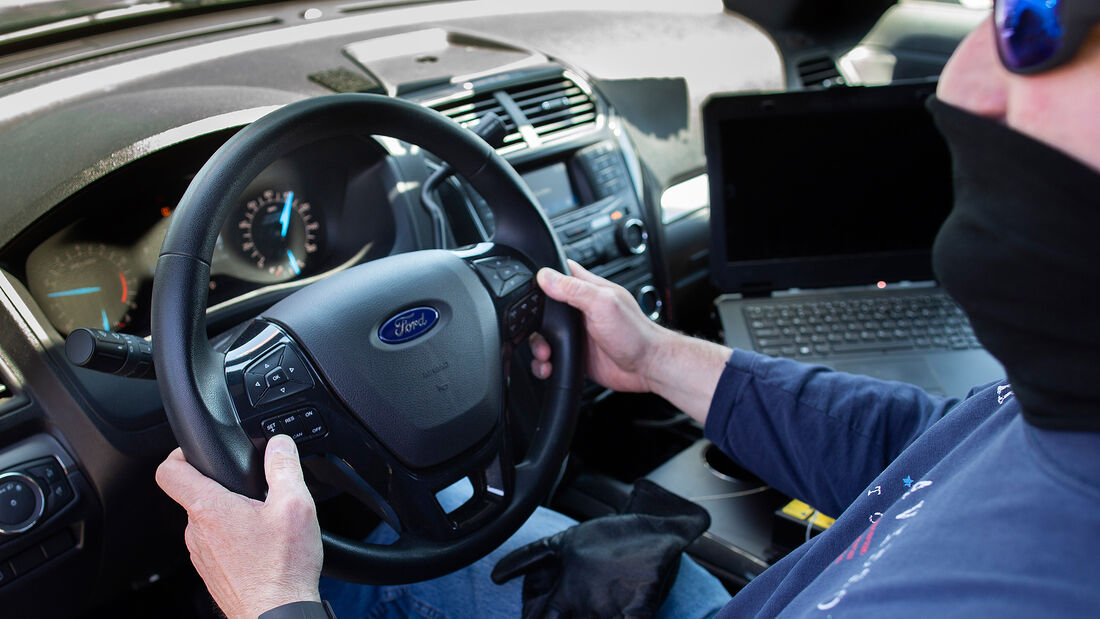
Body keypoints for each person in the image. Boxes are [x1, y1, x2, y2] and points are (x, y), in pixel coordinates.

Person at [155, 6, 1100, 618]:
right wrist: (652, 358)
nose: (960, 83)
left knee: (338, 572)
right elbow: (925, 446)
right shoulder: (1064, 409)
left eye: (1039, 27)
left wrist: (275, 603)